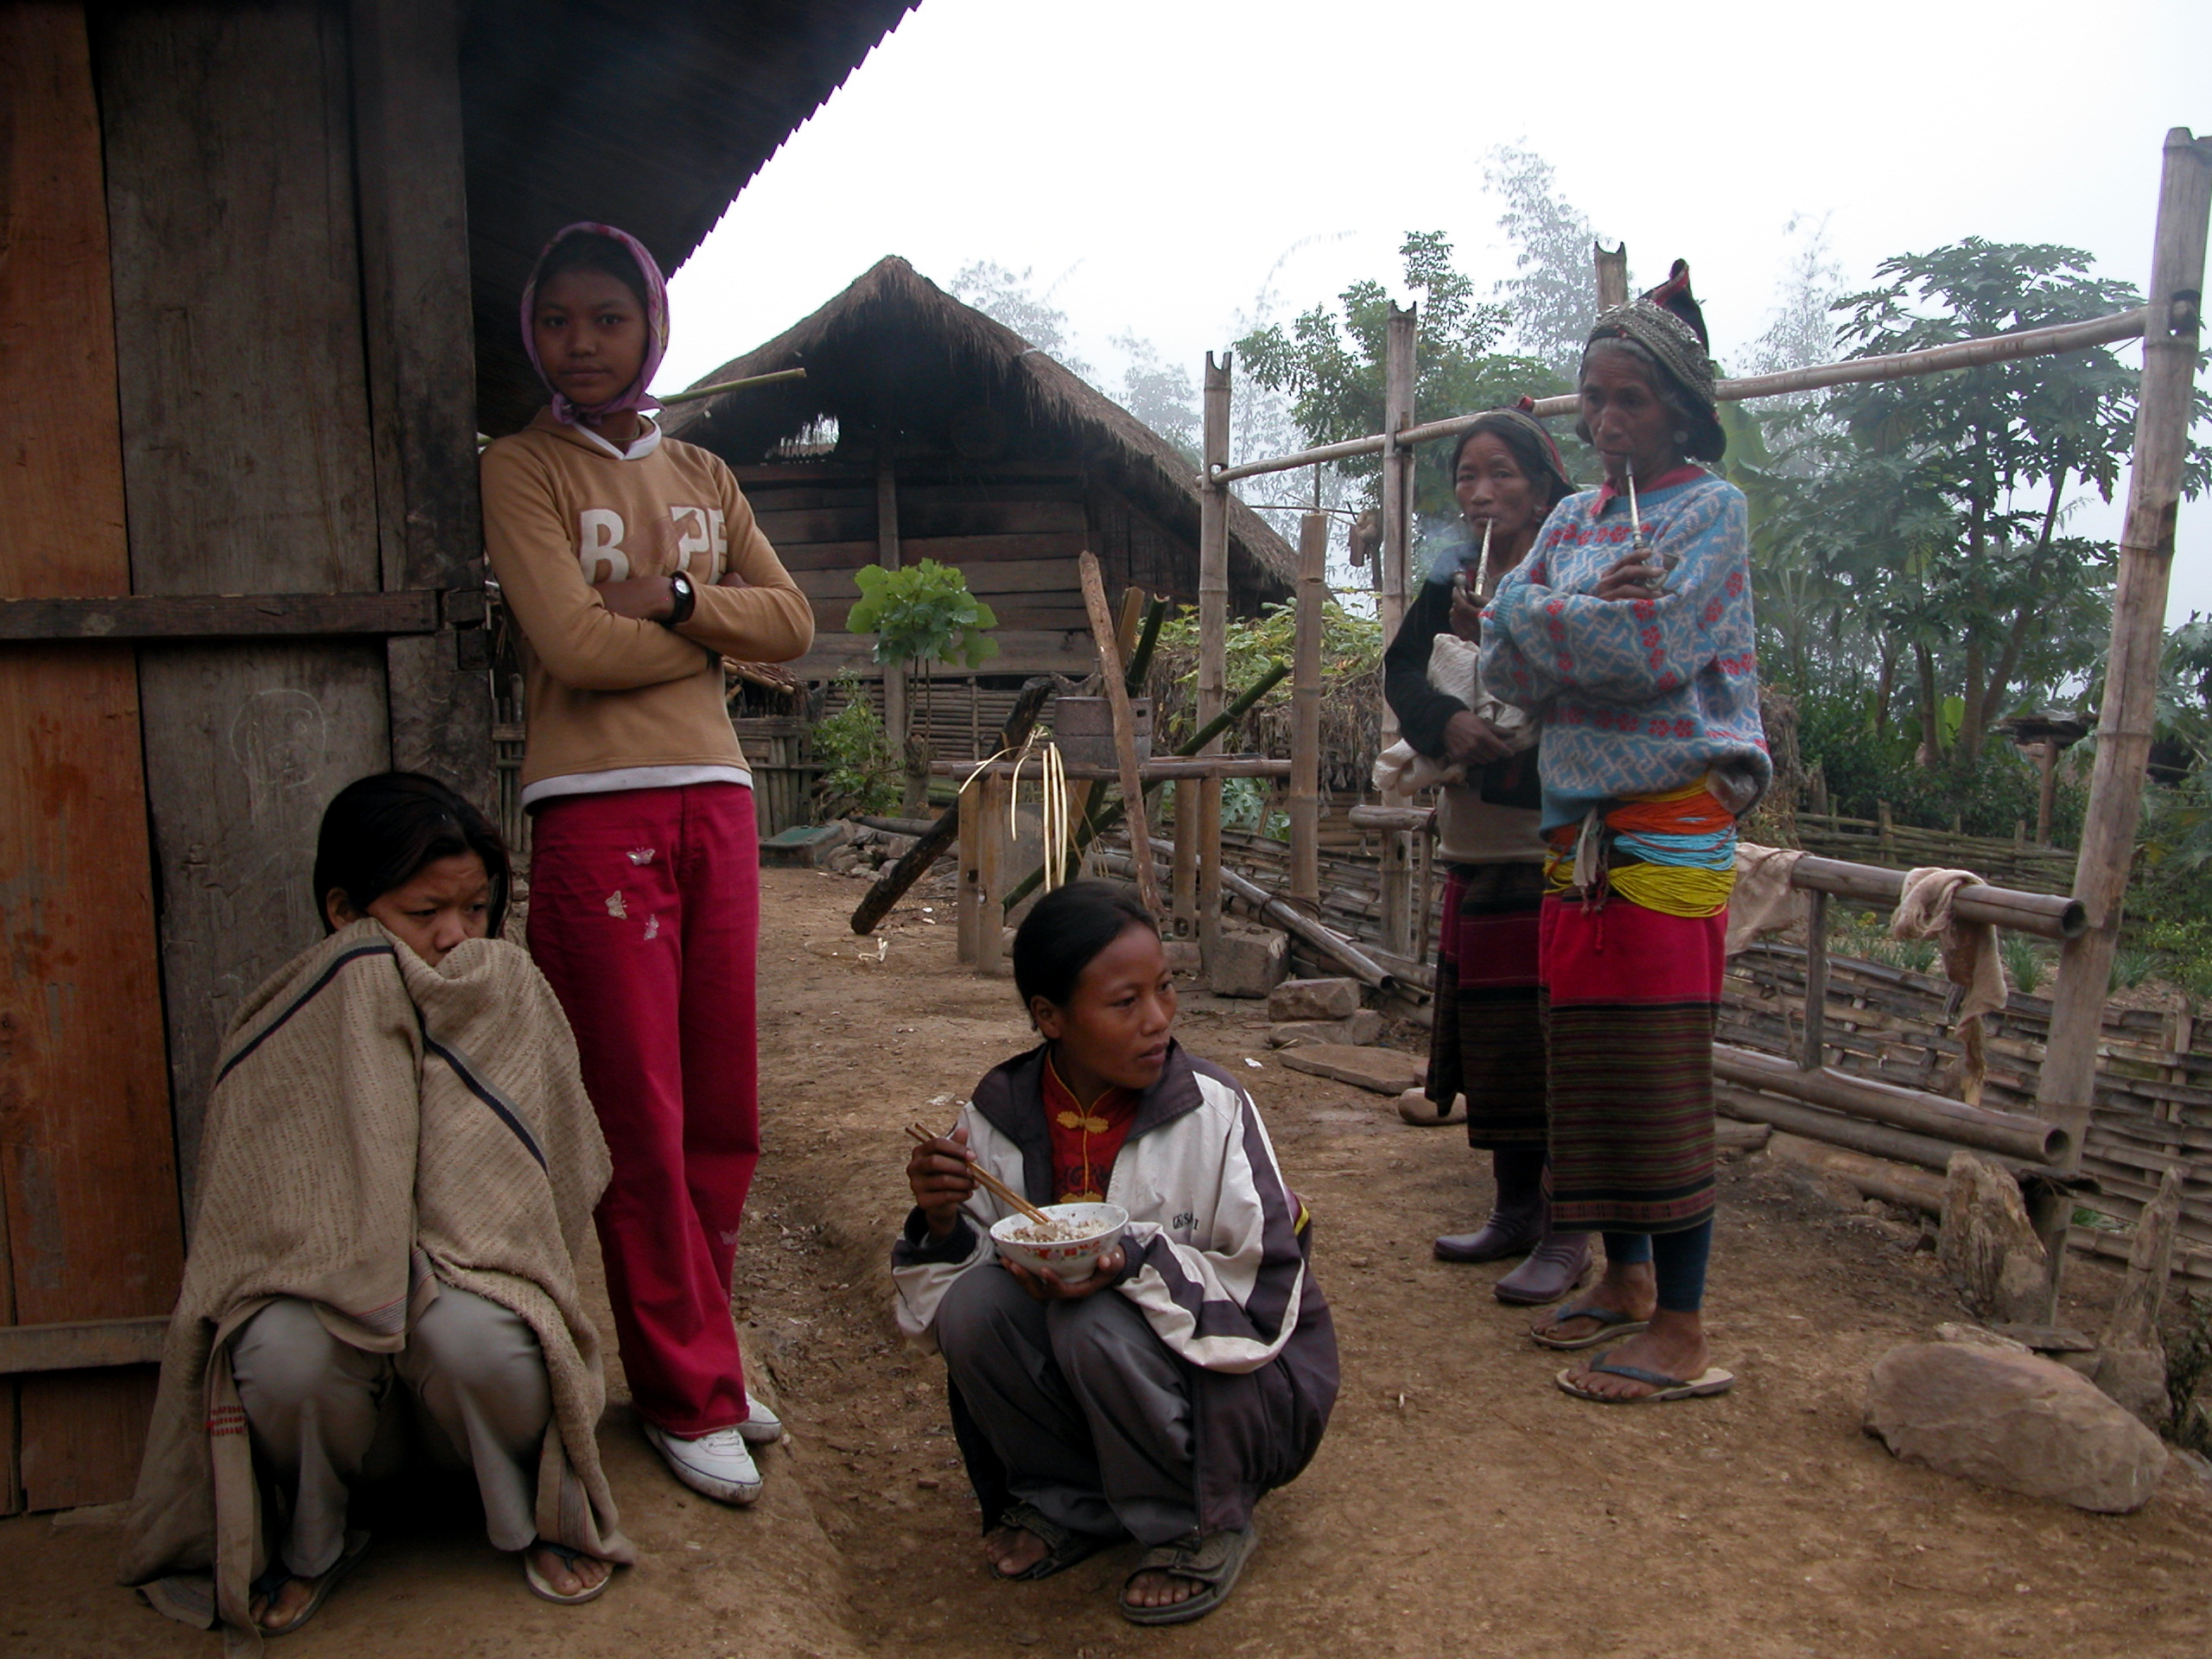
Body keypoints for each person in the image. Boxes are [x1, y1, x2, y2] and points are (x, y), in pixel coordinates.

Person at [120, 773, 630, 1642]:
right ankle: (317, 1538)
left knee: (476, 1337)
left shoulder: (508, 992)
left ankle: (519, 1518)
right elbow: (253, 1213)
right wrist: (355, 1263)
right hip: (330, 1329)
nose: (455, 936)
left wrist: (443, 1259)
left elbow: (559, 1179)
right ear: (343, 911)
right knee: (283, 1353)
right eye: (424, 911)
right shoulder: (294, 1012)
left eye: (475, 908)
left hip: (462, 1317)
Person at [482, 222, 814, 1503]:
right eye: (558, 319)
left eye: (606, 318)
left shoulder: (702, 471)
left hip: (717, 803)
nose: (582, 341)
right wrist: (725, 639)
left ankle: (708, 1355)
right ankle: (681, 1393)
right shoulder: (524, 469)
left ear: (650, 327)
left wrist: (677, 605)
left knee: (722, 1106)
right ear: (536, 335)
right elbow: (569, 646)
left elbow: (795, 621)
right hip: (592, 811)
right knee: (641, 1115)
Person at [894, 882, 1338, 1627]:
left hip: (1240, 1397)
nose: (1158, 1021)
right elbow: (952, 1281)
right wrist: (941, 1221)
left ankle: (1198, 1520)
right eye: (1124, 1003)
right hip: (1094, 1388)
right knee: (975, 1309)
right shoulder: (1000, 1114)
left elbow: (1266, 1282)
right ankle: (1071, 1502)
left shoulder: (1214, 1109)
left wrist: (1134, 1263)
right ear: (1050, 1018)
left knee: (1091, 1319)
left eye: (1163, 990)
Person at [1479, 263, 1768, 1403]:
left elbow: (1654, 655)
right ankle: (1623, 1281)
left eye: (1631, 402)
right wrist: (1574, 607)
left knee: (1656, 1066)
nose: (1604, 423)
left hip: (1670, 821)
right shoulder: (1572, 516)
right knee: (1589, 1058)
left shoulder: (1713, 512)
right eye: (1593, 399)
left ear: (1684, 412)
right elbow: (1500, 656)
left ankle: (1686, 1330)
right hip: (1576, 831)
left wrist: (1537, 611)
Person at [1382, 405, 1587, 1305]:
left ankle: (1570, 1224)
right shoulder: (1453, 569)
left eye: (1501, 473)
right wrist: (1446, 721)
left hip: (1555, 838)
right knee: (1497, 1034)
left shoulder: (1571, 565)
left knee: (1559, 1035)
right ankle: (1512, 1207)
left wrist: (1503, 630)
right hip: (1474, 841)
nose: (1480, 491)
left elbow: (1586, 676)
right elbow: (1398, 670)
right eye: (1468, 475)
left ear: (1543, 485)